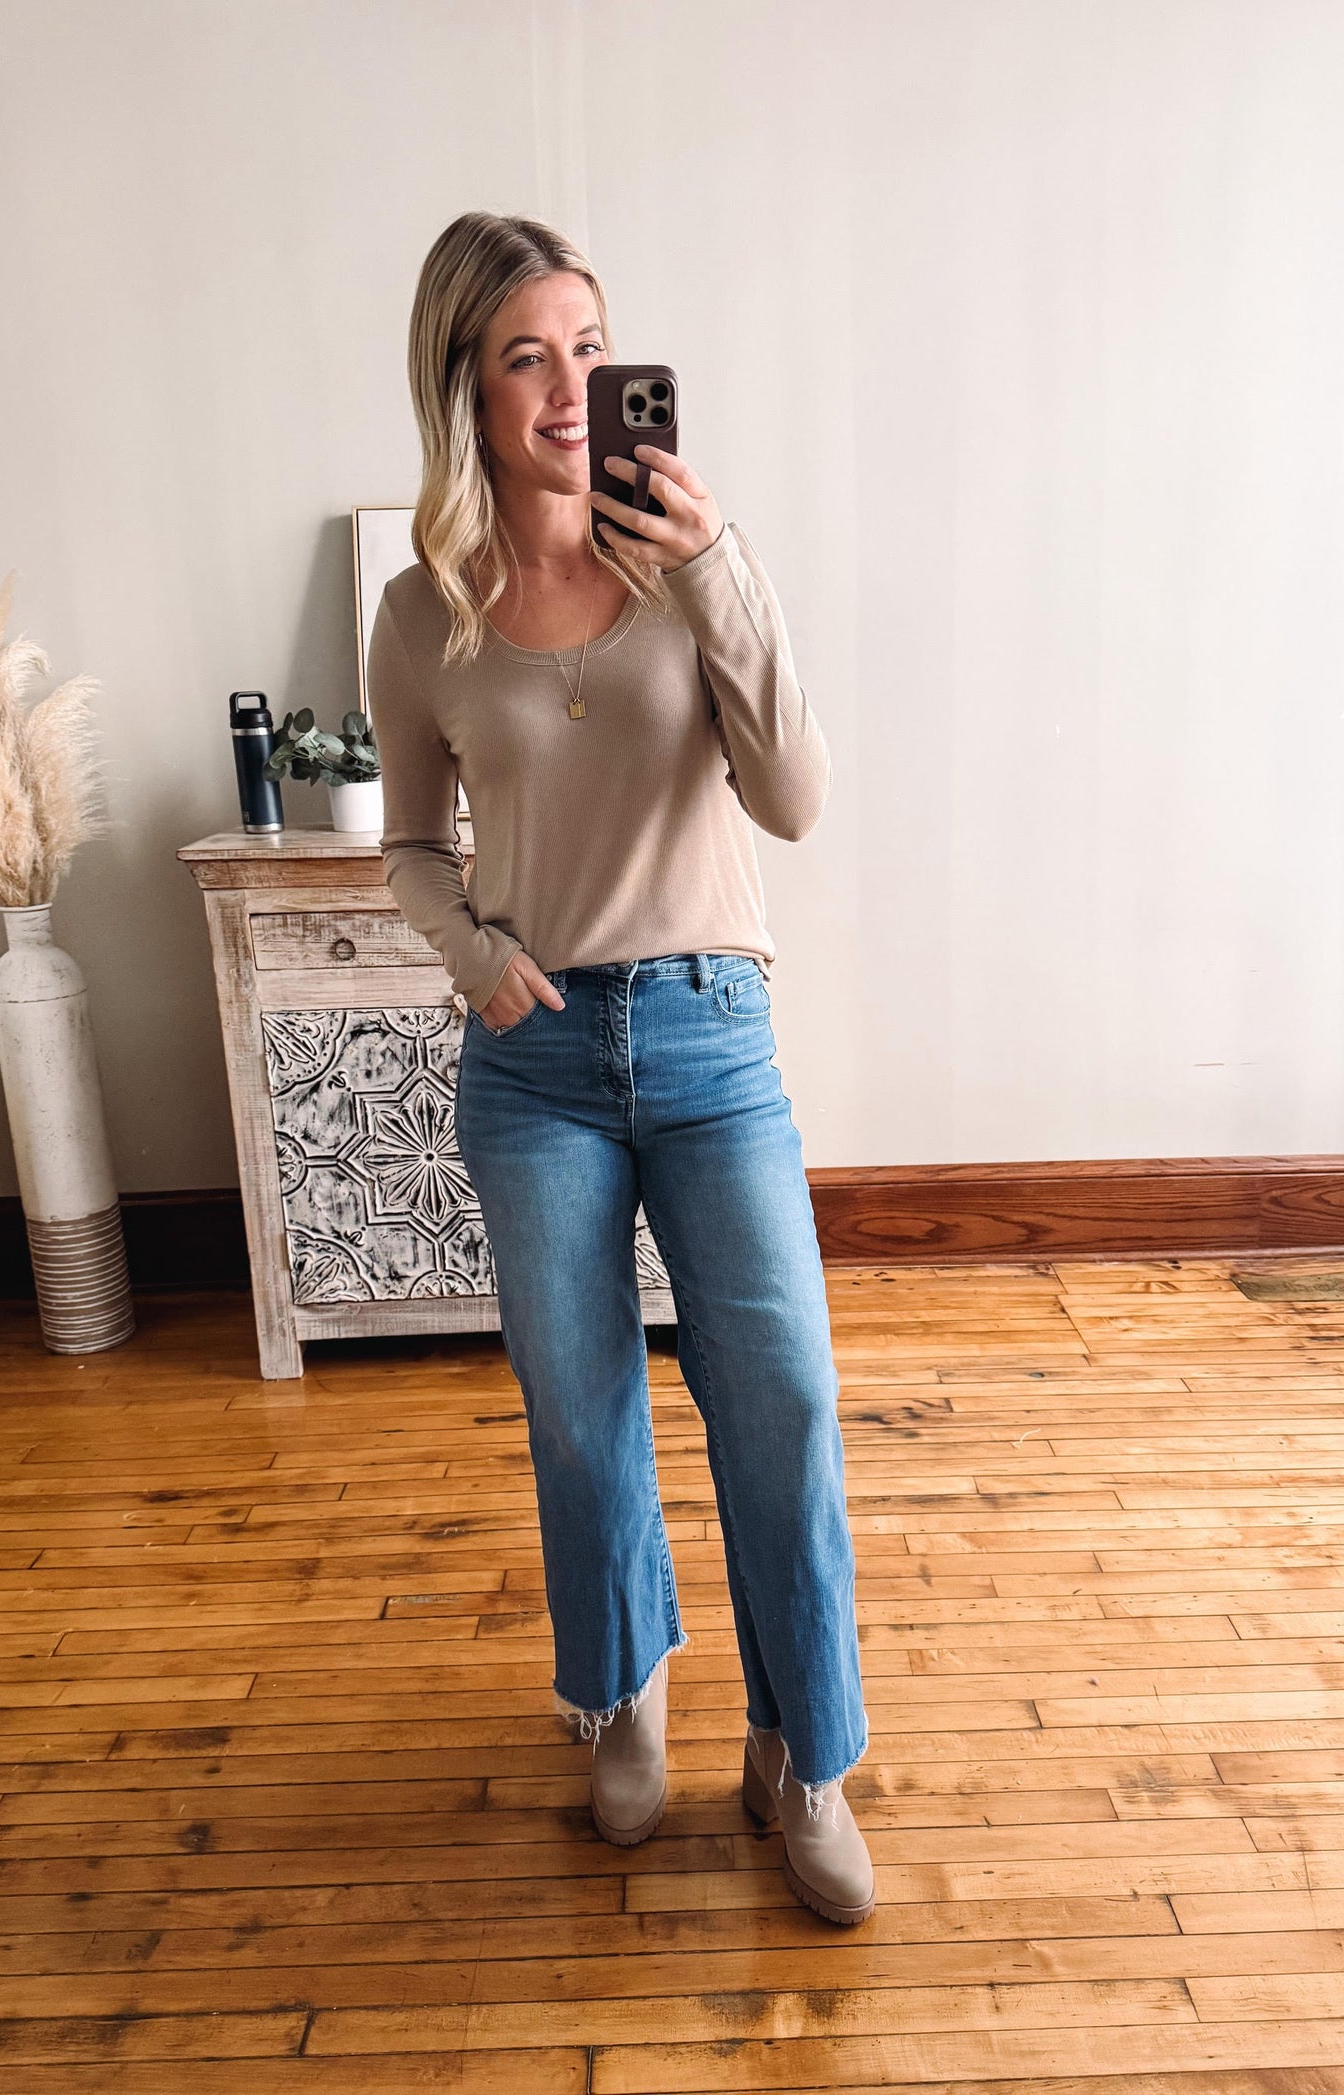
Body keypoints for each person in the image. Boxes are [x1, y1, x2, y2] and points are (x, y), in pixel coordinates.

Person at [365, 211, 873, 1924]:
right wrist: (476, 964)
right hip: (536, 1061)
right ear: (467, 385)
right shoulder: (418, 611)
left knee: (784, 1401)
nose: (572, 386)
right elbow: (413, 851)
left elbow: (793, 798)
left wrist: (719, 564)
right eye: (527, 353)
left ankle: (802, 1750)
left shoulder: (693, 561)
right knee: (581, 1420)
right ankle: (626, 1693)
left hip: (713, 1035)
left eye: (590, 347)